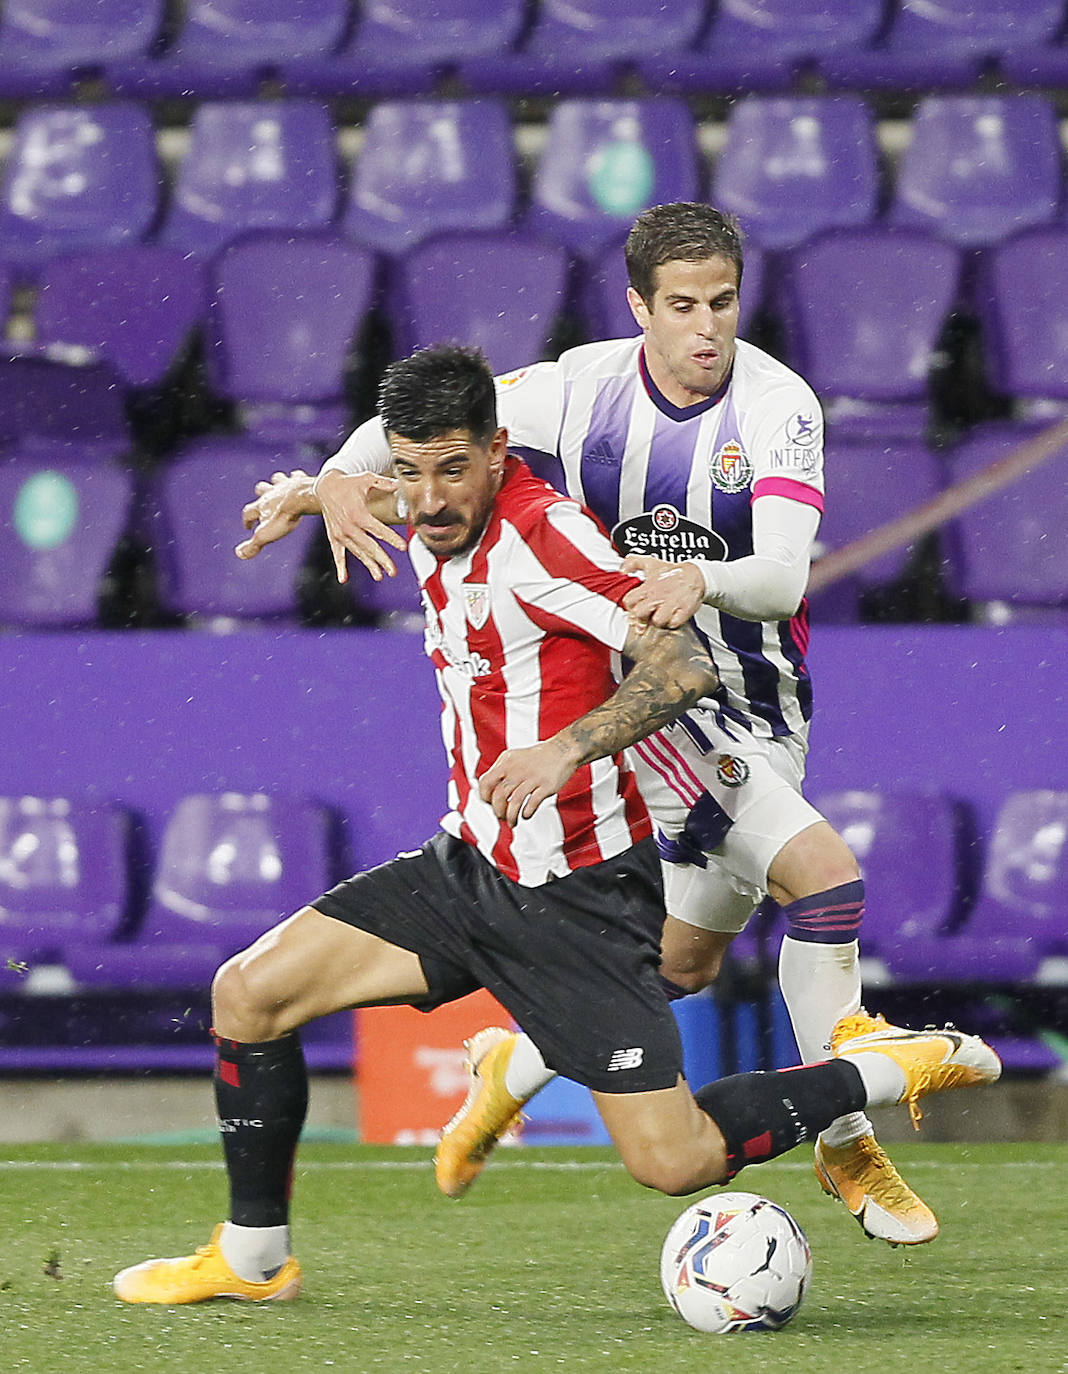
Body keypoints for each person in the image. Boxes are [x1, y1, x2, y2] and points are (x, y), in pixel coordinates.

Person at [114, 346, 1000, 1306]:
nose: (431, 497)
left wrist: (565, 749)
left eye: (454, 467)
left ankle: (874, 1069)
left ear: (498, 451)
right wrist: (318, 490)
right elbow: (372, 488)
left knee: (676, 1161)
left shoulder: (547, 540)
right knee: (247, 995)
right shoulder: (424, 506)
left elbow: (680, 670)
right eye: (412, 469)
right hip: (468, 870)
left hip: (577, 899)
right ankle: (254, 1263)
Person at [234, 203, 938, 1247]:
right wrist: (336, 480)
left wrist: (699, 573)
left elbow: (787, 573)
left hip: (756, 697)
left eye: (724, 304)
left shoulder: (779, 403)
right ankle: (846, 1134)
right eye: (684, 307)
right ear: (639, 309)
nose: (708, 329)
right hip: (659, 702)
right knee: (826, 881)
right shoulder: (579, 386)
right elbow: (425, 433)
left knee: (685, 963)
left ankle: (510, 1063)